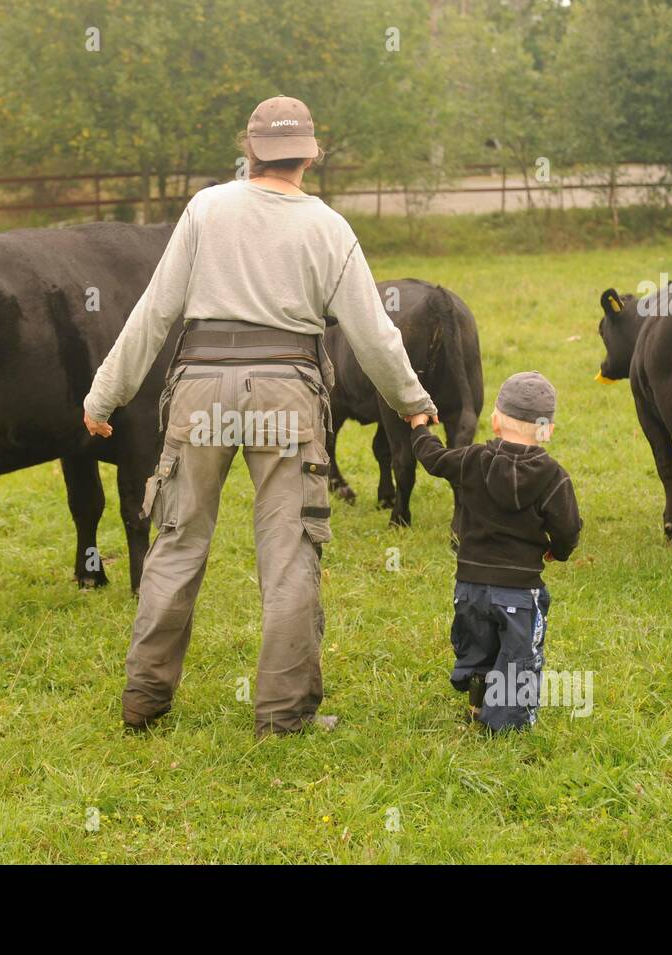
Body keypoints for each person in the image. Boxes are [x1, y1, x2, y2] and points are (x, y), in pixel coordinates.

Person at [82, 95, 436, 737]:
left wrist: (103, 396)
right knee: (289, 550)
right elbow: (373, 334)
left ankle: (144, 700)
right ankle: (282, 713)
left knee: (178, 542)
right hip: (286, 396)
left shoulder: (206, 208)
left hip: (200, 394)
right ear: (310, 155)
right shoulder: (328, 227)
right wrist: (414, 403)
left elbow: (155, 311)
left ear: (250, 151)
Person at [409, 371, 581, 731]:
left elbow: (434, 459)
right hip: (518, 590)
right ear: (548, 430)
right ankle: (503, 726)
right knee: (519, 657)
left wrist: (419, 426)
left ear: (496, 421)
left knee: (479, 646)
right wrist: (557, 552)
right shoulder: (553, 477)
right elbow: (568, 528)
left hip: (469, 586)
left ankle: (477, 700)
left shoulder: (473, 459)